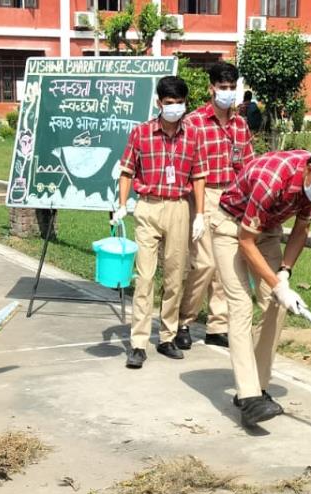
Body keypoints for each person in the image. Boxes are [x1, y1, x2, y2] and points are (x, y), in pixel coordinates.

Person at [211, 144, 311, 427]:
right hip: (230, 228)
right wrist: (276, 284)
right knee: (240, 307)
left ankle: (259, 386)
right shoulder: (272, 178)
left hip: (265, 231)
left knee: (276, 307)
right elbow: (244, 241)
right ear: (310, 169)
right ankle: (249, 396)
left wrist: (285, 274)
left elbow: (302, 228)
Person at [116, 75, 207, 369]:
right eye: (169, 103)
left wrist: (200, 214)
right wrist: (121, 205)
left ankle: (167, 336)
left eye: (180, 103)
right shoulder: (141, 134)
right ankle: (139, 343)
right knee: (144, 278)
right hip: (149, 207)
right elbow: (127, 170)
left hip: (179, 208)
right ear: (159, 103)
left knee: (174, 275)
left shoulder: (193, 136)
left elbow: (198, 177)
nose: (175, 108)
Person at [179, 61, 253, 352]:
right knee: (203, 263)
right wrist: (194, 206)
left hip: (232, 196)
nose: (227, 93)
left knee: (227, 265)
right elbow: (183, 162)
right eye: (222, 87)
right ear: (211, 88)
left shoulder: (240, 125)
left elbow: (247, 163)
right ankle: (184, 321)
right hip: (202, 194)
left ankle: (217, 326)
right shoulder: (194, 122)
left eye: (231, 88)